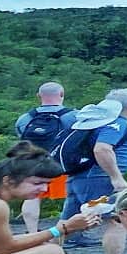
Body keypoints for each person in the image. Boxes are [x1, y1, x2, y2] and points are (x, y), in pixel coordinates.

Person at [0, 144, 102, 254]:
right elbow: (6, 248)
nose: (44, 189)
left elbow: (6, 243)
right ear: (8, 180)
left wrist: (67, 229)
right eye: (38, 183)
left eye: (47, 184)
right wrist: (59, 229)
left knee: (42, 246)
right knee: (51, 251)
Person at [59, 91, 127, 254]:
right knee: (116, 219)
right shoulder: (117, 122)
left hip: (78, 175)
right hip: (99, 177)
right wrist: (117, 178)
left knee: (67, 224)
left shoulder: (90, 120)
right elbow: (102, 149)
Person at [12, 82, 74, 235]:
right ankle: (71, 232)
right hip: (62, 163)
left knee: (33, 196)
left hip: (33, 162)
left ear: (39, 96)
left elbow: (22, 139)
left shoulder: (25, 118)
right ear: (62, 94)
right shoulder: (72, 116)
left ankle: (32, 231)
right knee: (73, 196)